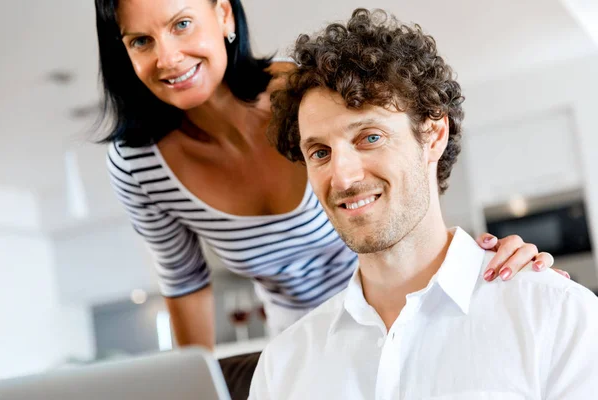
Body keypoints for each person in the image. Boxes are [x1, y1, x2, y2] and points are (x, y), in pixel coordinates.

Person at [95, 0, 561, 348]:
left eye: (181, 24)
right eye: (141, 40)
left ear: (223, 16)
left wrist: (477, 264)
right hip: (303, 336)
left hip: (409, 305)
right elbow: (184, 281)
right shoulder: (139, 163)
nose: (169, 57)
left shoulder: (309, 100)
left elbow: (402, 194)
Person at [249, 9, 598, 399]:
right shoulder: (283, 366)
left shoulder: (556, 316)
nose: (343, 177)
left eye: (370, 137)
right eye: (319, 152)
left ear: (433, 135)